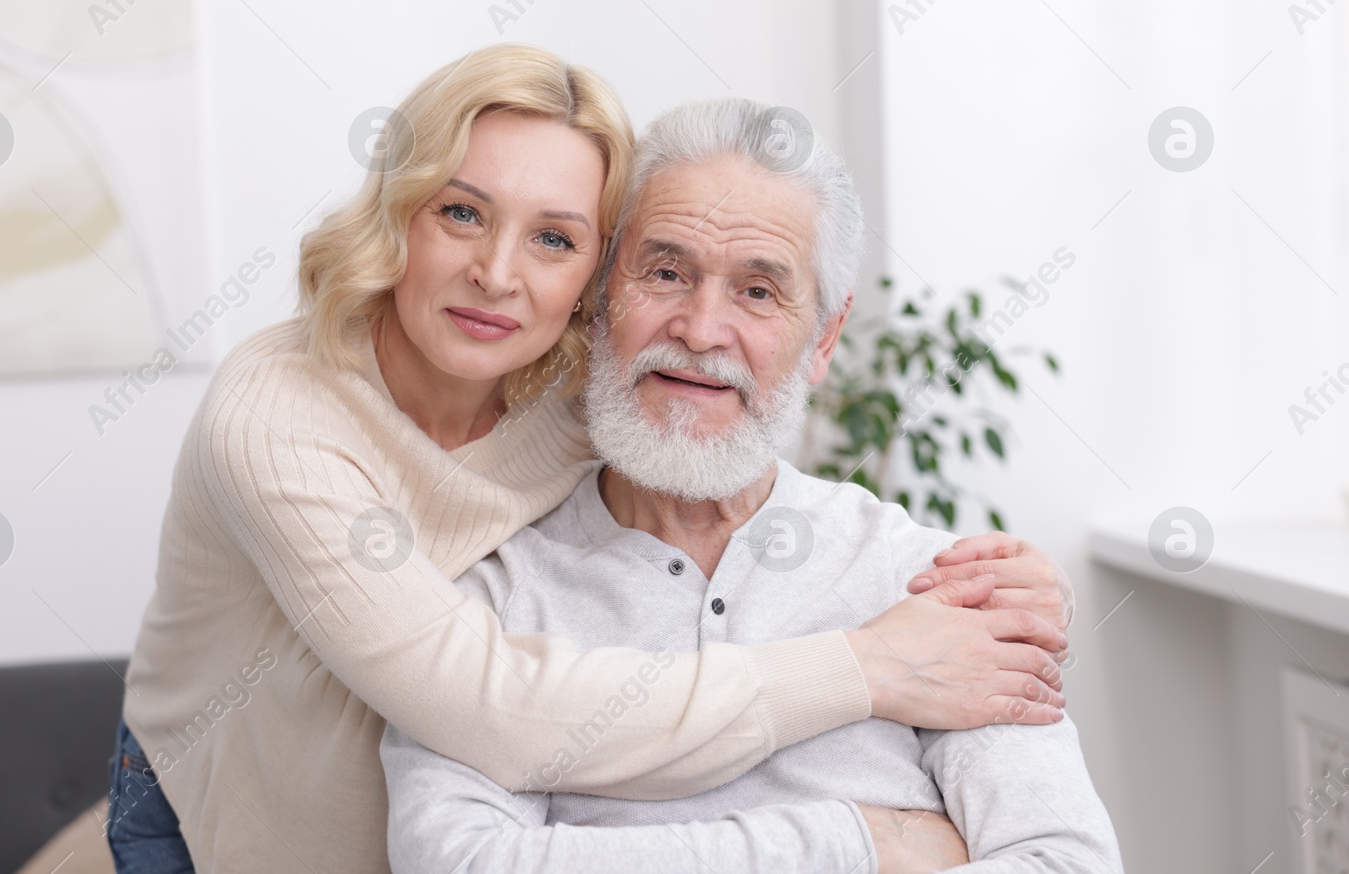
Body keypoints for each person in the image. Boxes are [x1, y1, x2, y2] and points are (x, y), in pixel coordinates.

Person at [107, 46, 1076, 873]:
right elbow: (481, 734)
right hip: (230, 795)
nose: (497, 272)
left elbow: (1062, 853)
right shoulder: (282, 421)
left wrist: (1025, 589)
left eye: (554, 236)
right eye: (459, 213)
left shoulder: (573, 382)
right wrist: (856, 810)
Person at [379, 98, 1122, 873]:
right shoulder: (489, 593)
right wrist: (865, 842)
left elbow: (1065, 862)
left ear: (825, 336)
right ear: (599, 301)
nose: (701, 330)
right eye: (665, 272)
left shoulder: (935, 587)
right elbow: (460, 864)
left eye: (758, 292)